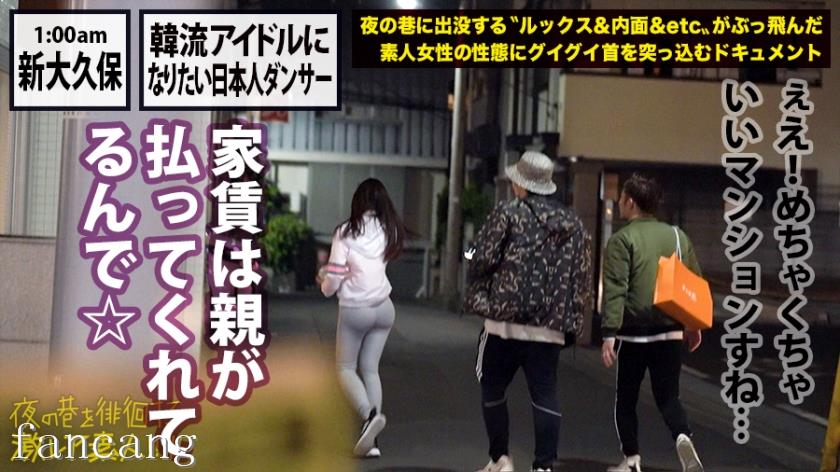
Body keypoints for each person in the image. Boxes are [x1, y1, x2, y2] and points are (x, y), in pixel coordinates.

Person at [465, 151, 593, 472]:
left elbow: (482, 259)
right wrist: (573, 320)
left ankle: (500, 460)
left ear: (521, 185)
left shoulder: (507, 213)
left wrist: (477, 274)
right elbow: (581, 276)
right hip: (550, 326)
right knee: (545, 394)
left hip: (504, 322)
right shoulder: (573, 223)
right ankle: (544, 466)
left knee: (492, 385)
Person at [600, 173, 704, 472]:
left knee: (626, 399)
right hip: (670, 331)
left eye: (622, 198)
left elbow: (616, 289)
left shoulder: (622, 240)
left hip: (634, 335)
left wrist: (609, 333)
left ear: (631, 202)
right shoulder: (677, 236)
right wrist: (693, 325)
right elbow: (693, 283)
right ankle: (682, 435)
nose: (620, 202)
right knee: (669, 397)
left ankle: (632, 459)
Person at [318, 178, 405, 458]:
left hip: (356, 310)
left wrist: (324, 283)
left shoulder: (345, 232)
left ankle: (369, 415)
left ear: (358, 201)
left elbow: (332, 280)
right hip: (384, 308)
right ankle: (372, 442)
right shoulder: (389, 229)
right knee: (370, 369)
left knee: (345, 368)